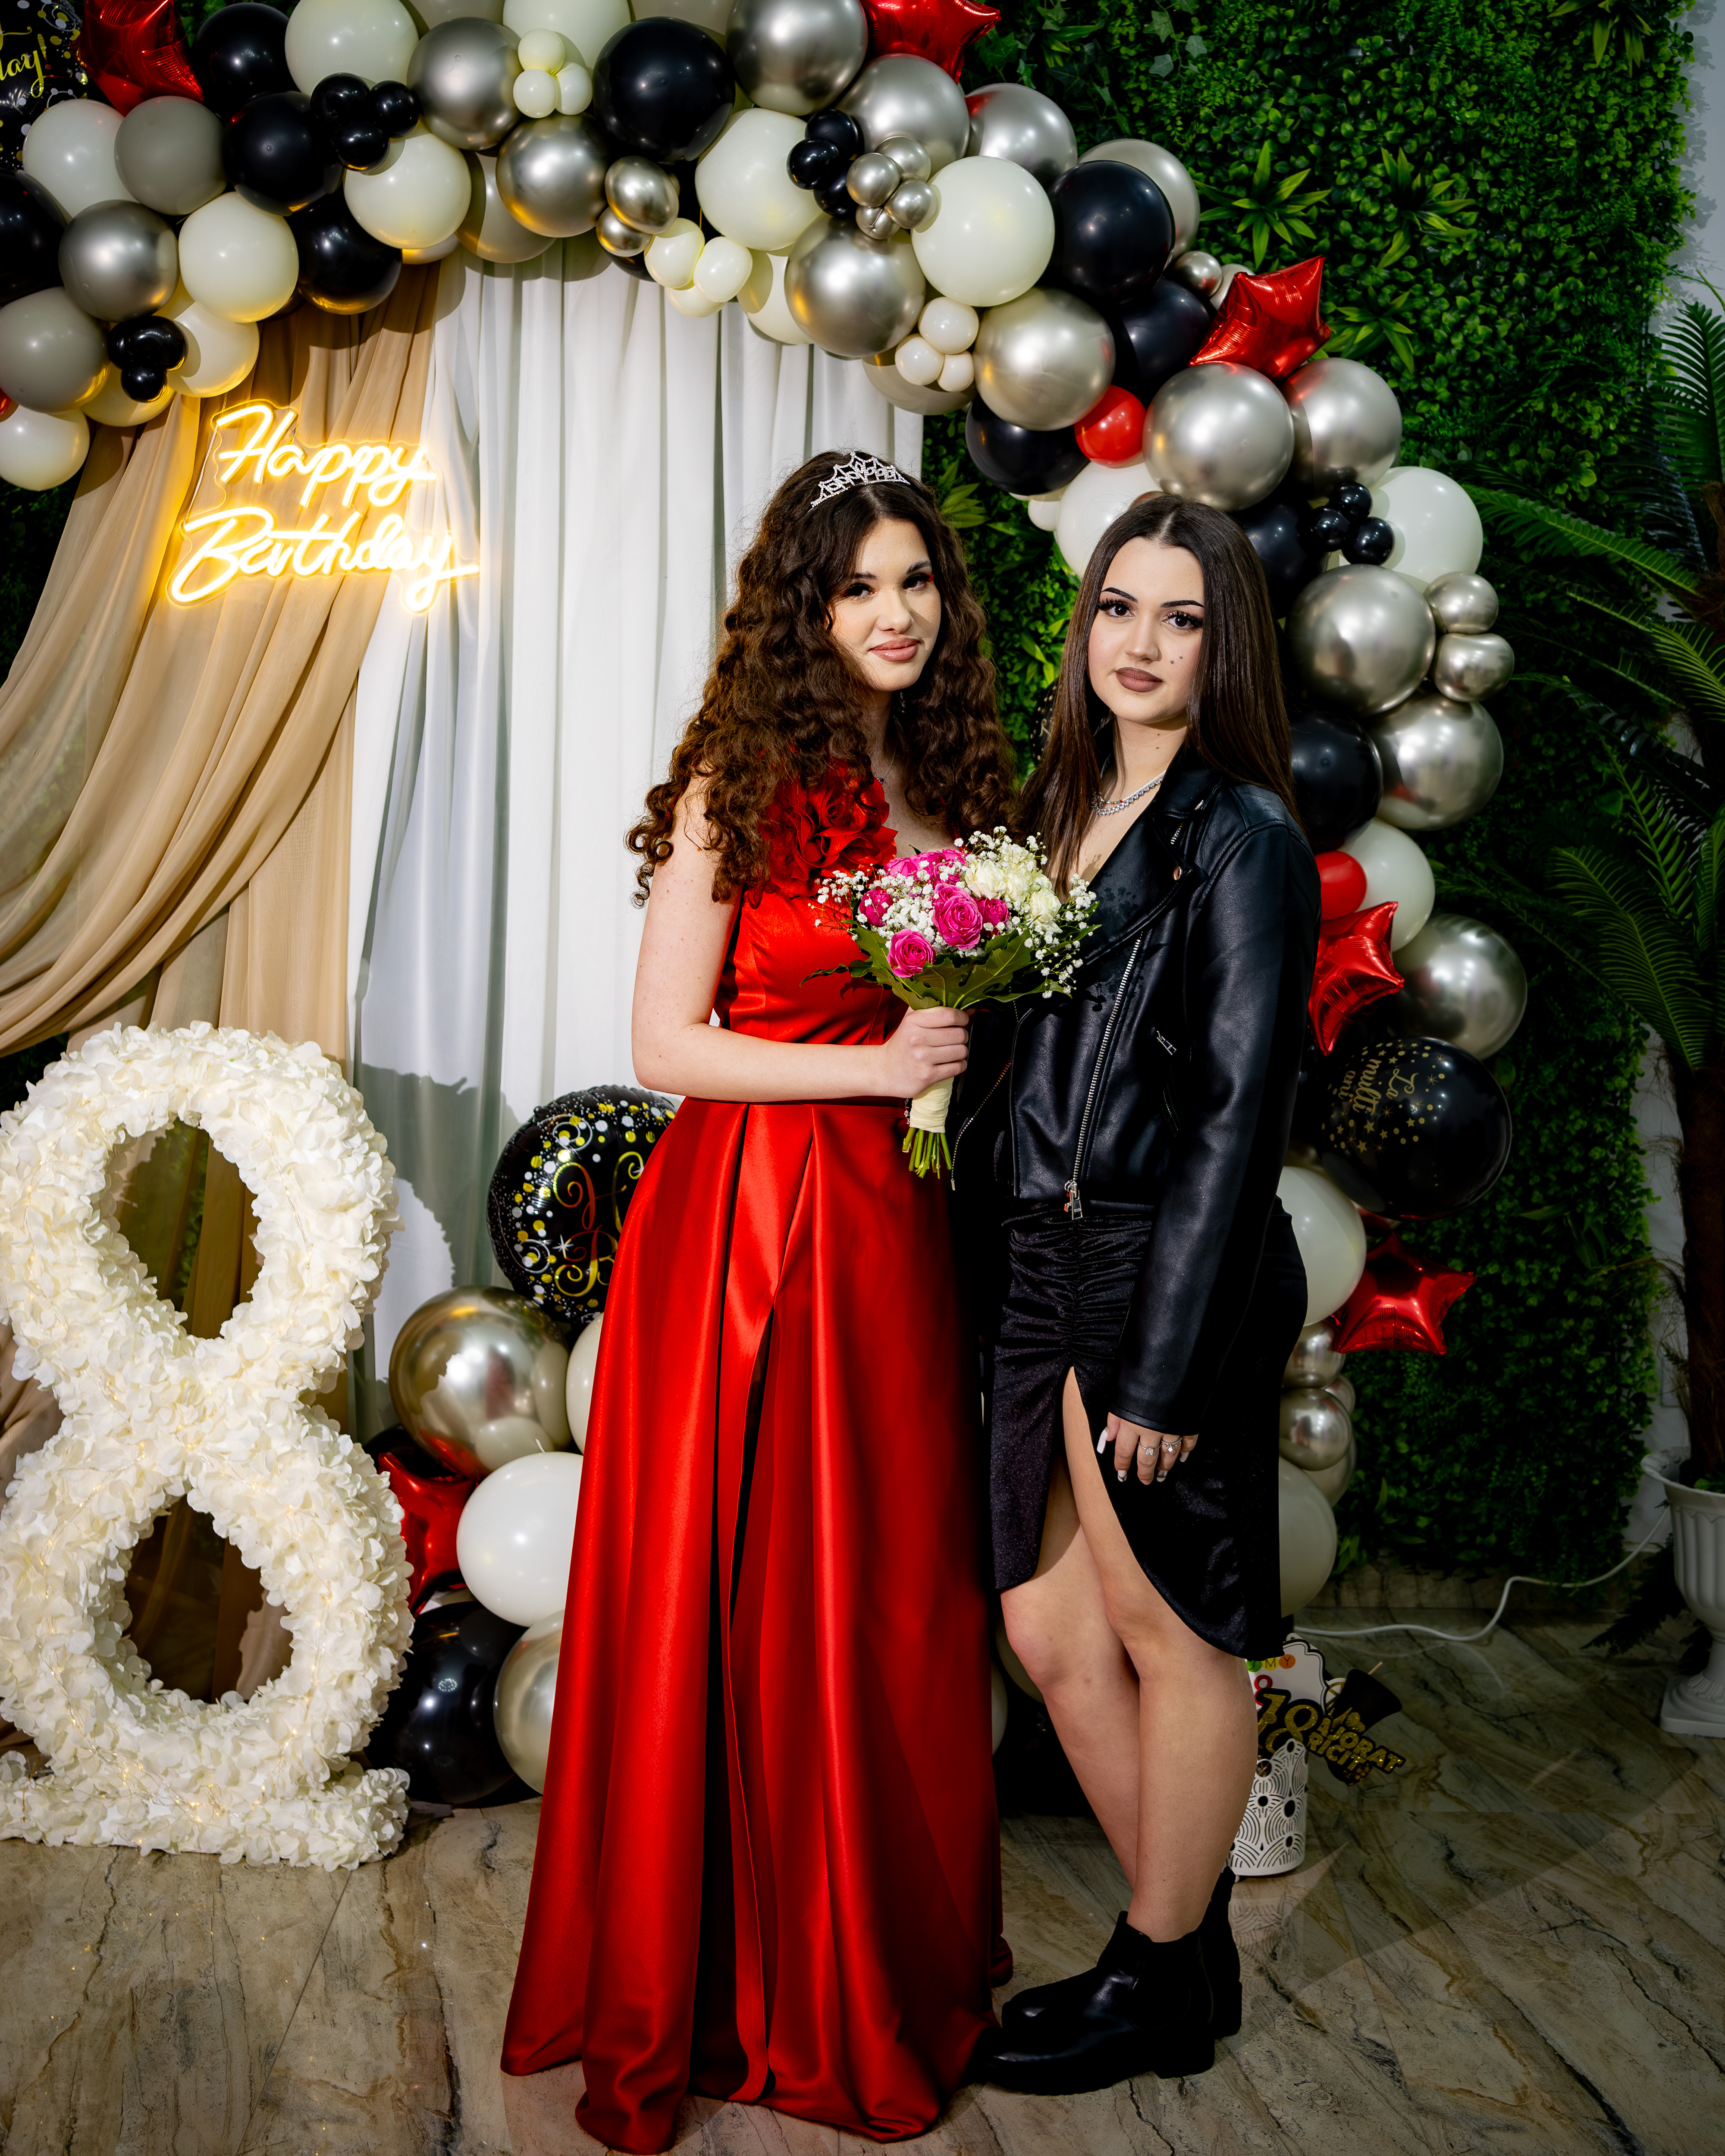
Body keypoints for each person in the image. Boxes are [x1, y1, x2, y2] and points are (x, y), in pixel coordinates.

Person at [501, 449, 1019, 2152]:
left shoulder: (950, 778)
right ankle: (725, 1977)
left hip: (893, 1235)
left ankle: (866, 1951)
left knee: (883, 1592)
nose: (894, 612)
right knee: (750, 1585)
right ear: (803, 610)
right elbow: (663, 1044)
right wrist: (878, 1069)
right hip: (746, 1232)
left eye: (915, 581)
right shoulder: (744, 779)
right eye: (858, 586)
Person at [958, 495, 1319, 2094]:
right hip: (1040, 1265)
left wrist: (1168, 1369)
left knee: (1170, 1631)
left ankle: (1156, 1967)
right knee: (1048, 1631)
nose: (1142, 643)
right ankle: (1185, 1953)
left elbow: (1240, 1118)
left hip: (1155, 1268)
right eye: (1119, 606)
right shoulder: (1056, 812)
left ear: (1223, 643)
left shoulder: (1243, 837)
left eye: (1182, 617)